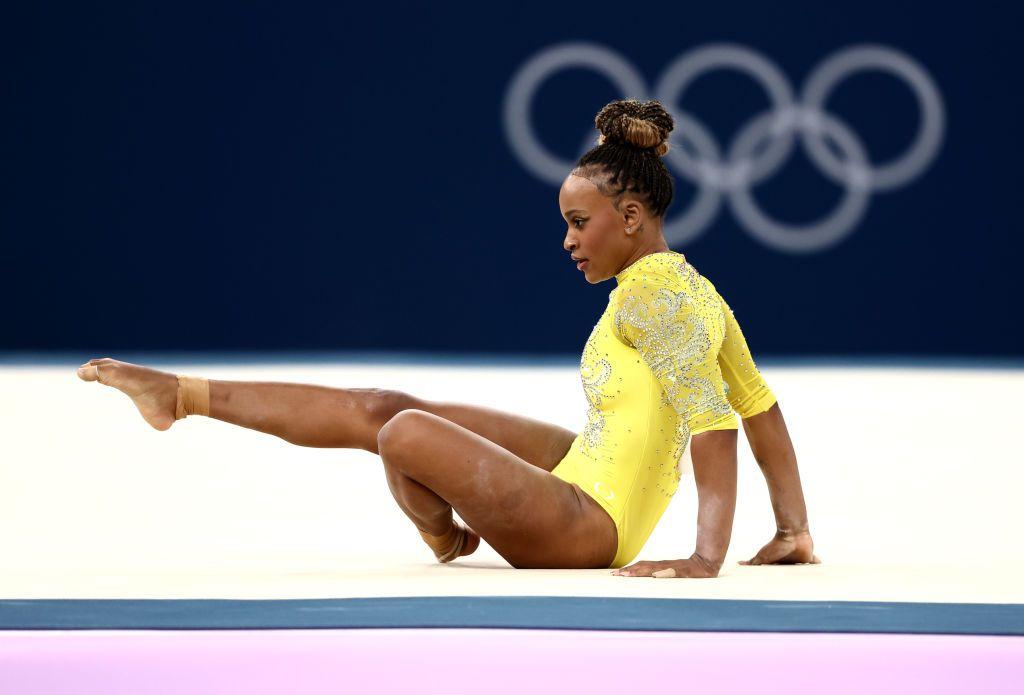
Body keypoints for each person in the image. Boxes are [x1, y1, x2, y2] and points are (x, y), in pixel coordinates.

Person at [76, 97, 818, 577]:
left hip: (588, 525)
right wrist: (792, 530)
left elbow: (717, 420)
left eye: (577, 222)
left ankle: (446, 538)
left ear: (630, 217)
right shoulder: (688, 286)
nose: (566, 241)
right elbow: (760, 405)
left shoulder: (660, 301)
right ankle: (183, 392)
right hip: (579, 471)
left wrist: (703, 558)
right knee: (385, 405)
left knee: (402, 431)